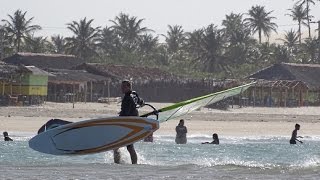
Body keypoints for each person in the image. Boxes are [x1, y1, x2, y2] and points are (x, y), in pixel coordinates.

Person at [113, 80, 144, 164]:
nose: (121, 88)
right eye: (121, 87)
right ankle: (134, 164)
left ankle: (117, 164)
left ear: (128, 87)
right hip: (133, 123)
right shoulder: (134, 94)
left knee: (115, 145)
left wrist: (116, 121)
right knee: (130, 147)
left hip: (127, 124)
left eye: (123, 87)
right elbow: (141, 102)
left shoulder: (127, 97)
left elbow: (125, 113)